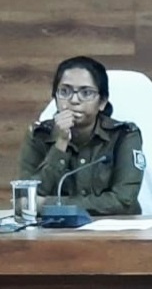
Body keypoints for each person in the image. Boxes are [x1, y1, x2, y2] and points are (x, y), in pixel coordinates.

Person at [19, 56, 144, 215]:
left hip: (116, 228)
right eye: (65, 91)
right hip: (55, 228)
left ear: (102, 102)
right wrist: (60, 145)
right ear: (55, 98)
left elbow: (123, 201)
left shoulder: (124, 136)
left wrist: (48, 204)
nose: (74, 100)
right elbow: (25, 199)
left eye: (86, 93)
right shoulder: (39, 136)